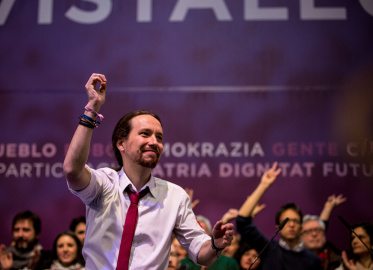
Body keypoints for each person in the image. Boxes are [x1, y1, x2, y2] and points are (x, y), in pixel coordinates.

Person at [62, 73, 234, 269]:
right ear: (121, 143)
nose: (154, 142)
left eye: (159, 137)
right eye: (145, 134)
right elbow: (72, 171)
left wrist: (214, 245)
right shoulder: (103, 183)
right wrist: (92, 108)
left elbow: (201, 252)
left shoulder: (175, 196)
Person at [235, 162, 322, 270]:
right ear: (278, 227)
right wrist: (264, 186)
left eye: (295, 221)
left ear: (301, 227)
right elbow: (242, 221)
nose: (291, 224)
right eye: (286, 221)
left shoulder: (314, 261)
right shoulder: (268, 249)